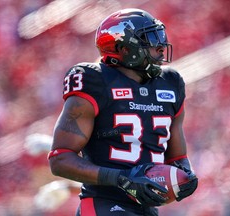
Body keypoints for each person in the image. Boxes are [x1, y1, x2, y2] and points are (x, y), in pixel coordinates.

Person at [48, 8, 198, 216]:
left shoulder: (171, 84)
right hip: (104, 205)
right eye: (151, 39)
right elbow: (60, 159)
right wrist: (122, 178)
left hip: (146, 208)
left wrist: (186, 175)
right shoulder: (94, 80)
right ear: (124, 49)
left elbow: (177, 156)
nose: (161, 47)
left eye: (160, 37)